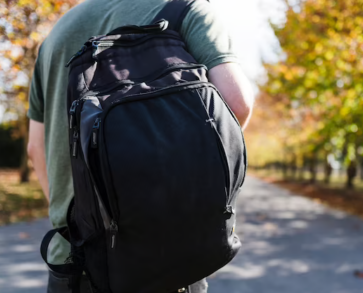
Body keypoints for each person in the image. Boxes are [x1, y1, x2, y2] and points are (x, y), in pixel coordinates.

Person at [26, 0, 254, 292]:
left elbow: (35, 148)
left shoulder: (56, 35)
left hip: (72, 260)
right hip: (162, 260)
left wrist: (82, 215)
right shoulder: (187, 10)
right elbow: (236, 103)